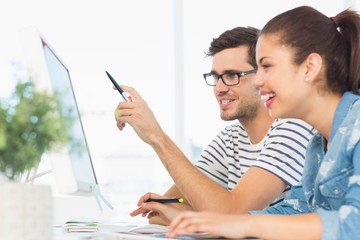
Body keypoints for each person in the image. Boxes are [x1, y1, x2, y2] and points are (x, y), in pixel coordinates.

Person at [165, 6, 360, 240]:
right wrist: (219, 223)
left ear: (310, 67)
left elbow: (354, 225)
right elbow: (297, 211)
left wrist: (244, 226)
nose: (257, 81)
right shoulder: (319, 144)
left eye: (266, 66)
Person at [114, 27, 314, 224]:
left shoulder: (293, 126)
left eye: (232, 76)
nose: (219, 88)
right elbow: (164, 211)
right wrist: (184, 210)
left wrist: (156, 136)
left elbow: (233, 214)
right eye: (216, 77)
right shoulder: (231, 138)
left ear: (261, 77)